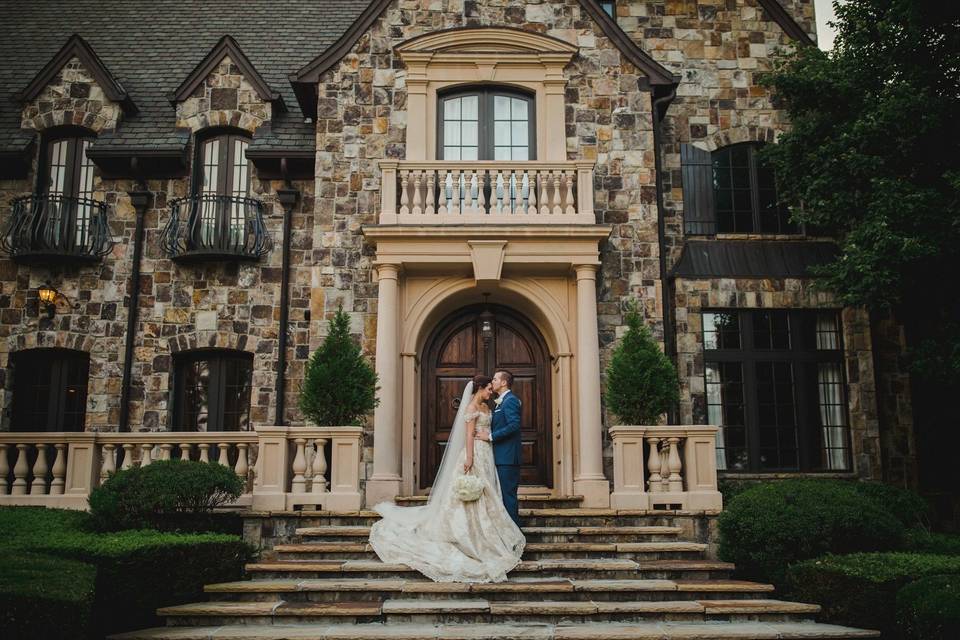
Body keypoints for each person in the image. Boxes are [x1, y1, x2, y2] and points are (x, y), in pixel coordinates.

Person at [368, 375, 525, 583]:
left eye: (492, 386)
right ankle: (469, 535)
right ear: (479, 388)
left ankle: (495, 534)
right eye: (488, 388)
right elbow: (469, 435)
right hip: (476, 453)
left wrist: (489, 436)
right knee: (475, 493)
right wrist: (469, 458)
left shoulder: (490, 406)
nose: (490, 391)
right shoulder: (471, 409)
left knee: (490, 493)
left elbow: (499, 427)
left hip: (488, 454)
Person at [477, 370, 522, 527]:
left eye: (495, 379)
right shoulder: (501, 401)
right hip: (500, 456)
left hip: (508, 458)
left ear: (503, 383)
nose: (492, 381)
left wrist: (490, 437)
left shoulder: (510, 401)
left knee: (508, 497)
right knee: (502, 497)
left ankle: (515, 537)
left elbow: (514, 425)